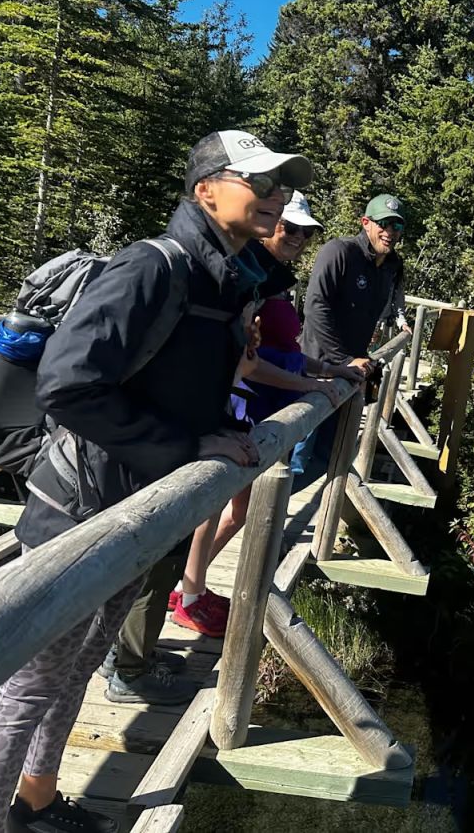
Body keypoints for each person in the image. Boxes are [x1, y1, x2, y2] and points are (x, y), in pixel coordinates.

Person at [0, 130, 311, 833]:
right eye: (261, 185)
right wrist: (188, 444)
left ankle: (35, 801)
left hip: (140, 509)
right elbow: (67, 386)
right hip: (78, 510)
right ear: (206, 190)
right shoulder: (153, 267)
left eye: (280, 187)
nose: (276, 200)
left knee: (84, 661)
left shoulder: (226, 277)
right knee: (31, 687)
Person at [167, 192, 363, 638]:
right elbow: (250, 362)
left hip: (258, 411)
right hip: (241, 406)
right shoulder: (247, 278)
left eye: (305, 231)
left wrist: (330, 369)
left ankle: (187, 586)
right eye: (288, 227)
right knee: (217, 503)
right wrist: (311, 386)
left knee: (241, 507)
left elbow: (284, 351)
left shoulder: (270, 280)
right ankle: (189, 594)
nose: (296, 237)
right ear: (266, 224)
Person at [299, 193, 408, 468]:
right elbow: (314, 307)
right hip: (315, 370)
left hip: (348, 374)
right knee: (294, 457)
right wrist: (343, 359)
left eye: (396, 226)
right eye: (383, 224)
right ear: (366, 222)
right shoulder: (340, 251)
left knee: (329, 458)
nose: (390, 232)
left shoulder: (392, 266)